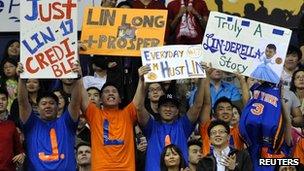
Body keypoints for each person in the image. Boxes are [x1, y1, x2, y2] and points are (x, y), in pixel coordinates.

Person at [136, 64, 206, 171]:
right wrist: (142, 81)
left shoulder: (183, 126)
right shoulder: (151, 126)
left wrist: (202, 79)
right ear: (158, 110)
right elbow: (139, 107)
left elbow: (198, 105)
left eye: (172, 106)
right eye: (165, 106)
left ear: (177, 111)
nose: (168, 109)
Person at [17, 62, 82, 170]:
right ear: (37, 108)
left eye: (52, 103)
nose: (48, 106)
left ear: (58, 106)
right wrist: (22, 78)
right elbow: (22, 102)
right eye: (43, 104)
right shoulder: (31, 124)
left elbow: (75, 102)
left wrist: (78, 77)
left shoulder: (67, 123)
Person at [79, 65, 145, 170]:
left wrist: (142, 80)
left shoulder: (128, 113)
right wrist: (79, 75)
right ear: (100, 100)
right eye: (106, 91)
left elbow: (138, 102)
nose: (110, 93)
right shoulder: (94, 114)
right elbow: (81, 94)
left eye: (114, 91)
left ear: (120, 99)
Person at [239, 81, 292, 171]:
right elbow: (248, 107)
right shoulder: (254, 146)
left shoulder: (284, 148)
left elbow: (287, 121)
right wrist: (242, 81)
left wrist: (280, 98)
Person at [0, 88, 25, 171]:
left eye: (3, 99)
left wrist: (21, 155)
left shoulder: (11, 124)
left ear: (7, 102)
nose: (1, 102)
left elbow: (19, 149)